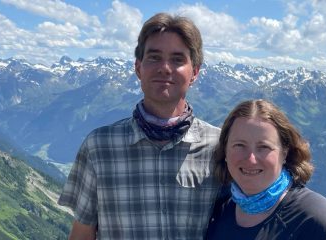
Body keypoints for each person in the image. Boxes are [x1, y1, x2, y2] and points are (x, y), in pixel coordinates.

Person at [57, 13, 221, 240]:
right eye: (154, 57)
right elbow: (82, 234)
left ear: (194, 73)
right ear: (138, 68)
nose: (165, 68)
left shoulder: (220, 147)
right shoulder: (99, 148)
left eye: (177, 59)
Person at [205, 99, 326, 240]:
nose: (251, 159)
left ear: (285, 153)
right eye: (239, 145)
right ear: (225, 150)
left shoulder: (313, 216)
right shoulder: (221, 208)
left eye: (264, 147)